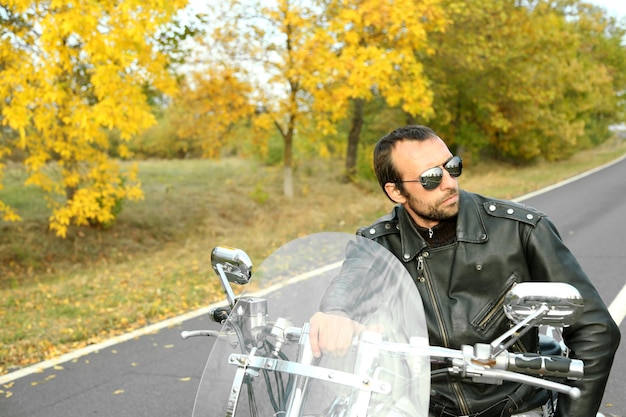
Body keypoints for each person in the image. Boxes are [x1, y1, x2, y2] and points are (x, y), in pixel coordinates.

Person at [309, 125, 621, 417]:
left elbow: (595, 330)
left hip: (513, 407)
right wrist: (335, 313)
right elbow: (351, 282)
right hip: (419, 407)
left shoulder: (521, 230)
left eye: (451, 166)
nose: (448, 182)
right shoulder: (379, 244)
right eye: (431, 177)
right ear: (396, 192)